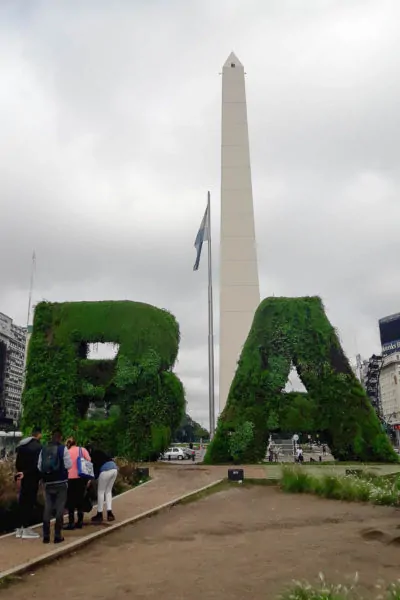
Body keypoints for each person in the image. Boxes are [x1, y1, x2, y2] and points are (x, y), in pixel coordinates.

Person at [38, 430, 72, 544]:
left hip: (47, 483)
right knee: (60, 508)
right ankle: (57, 535)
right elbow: (69, 465)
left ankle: (46, 536)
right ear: (60, 438)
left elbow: (39, 466)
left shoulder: (43, 449)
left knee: (47, 508)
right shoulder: (63, 449)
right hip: (61, 482)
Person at [15, 426, 42, 539]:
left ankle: (19, 529)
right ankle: (26, 529)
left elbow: (17, 463)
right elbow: (38, 466)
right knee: (30, 502)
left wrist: (20, 474)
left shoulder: (21, 446)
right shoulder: (39, 447)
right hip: (32, 477)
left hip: (21, 477)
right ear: (39, 434)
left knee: (22, 501)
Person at [64, 437, 91, 530]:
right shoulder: (82, 450)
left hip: (69, 479)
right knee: (80, 499)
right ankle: (80, 522)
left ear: (68, 444)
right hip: (80, 478)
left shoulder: (66, 452)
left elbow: (64, 464)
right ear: (75, 443)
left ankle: (71, 523)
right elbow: (89, 460)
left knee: (70, 501)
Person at [88, 447, 118, 523]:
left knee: (100, 492)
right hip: (114, 468)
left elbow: (95, 470)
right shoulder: (101, 451)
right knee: (108, 491)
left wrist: (90, 479)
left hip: (105, 470)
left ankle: (99, 514)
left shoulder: (93, 456)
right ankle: (110, 513)